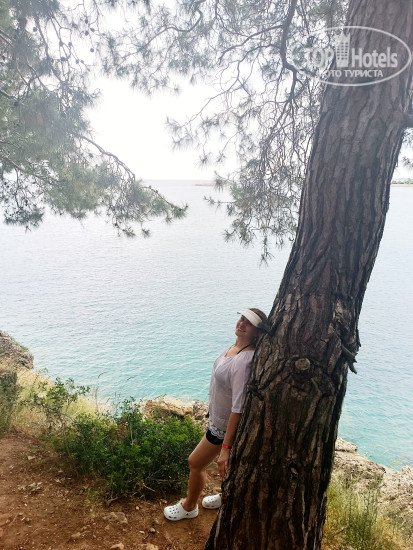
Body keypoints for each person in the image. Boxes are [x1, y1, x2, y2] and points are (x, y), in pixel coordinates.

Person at [163, 307, 268, 521]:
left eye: (249, 323)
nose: (241, 323)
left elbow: (238, 407)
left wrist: (226, 448)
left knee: (195, 462)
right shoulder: (235, 348)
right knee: (232, 467)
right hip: (218, 421)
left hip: (224, 427)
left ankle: (189, 507)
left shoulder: (243, 361)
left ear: (257, 332)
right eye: (242, 318)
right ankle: (224, 495)